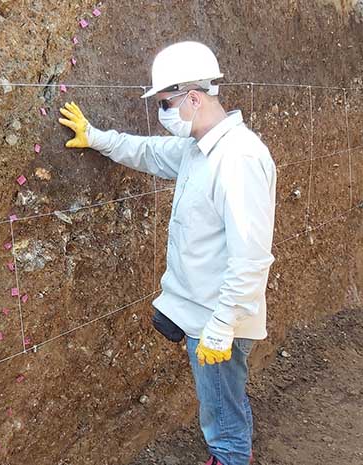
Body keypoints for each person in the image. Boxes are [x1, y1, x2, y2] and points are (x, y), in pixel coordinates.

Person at [58, 41, 276, 465]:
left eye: (165, 104)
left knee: (221, 410)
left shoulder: (239, 158)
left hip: (218, 318)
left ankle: (230, 458)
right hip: (204, 312)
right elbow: (148, 151)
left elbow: (251, 256)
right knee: (224, 400)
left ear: (193, 98)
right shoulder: (200, 149)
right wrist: (97, 138)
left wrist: (222, 325)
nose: (162, 114)